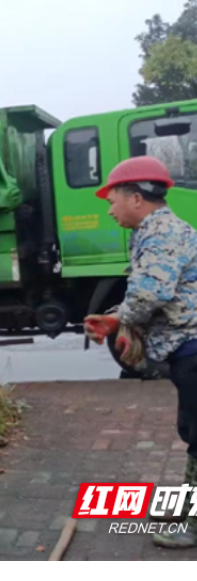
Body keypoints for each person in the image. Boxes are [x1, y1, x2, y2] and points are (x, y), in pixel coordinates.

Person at [86, 156, 197, 549]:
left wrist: (119, 321)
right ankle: (189, 509)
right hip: (187, 348)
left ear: (136, 197)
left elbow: (152, 292)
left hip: (194, 347)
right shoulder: (153, 231)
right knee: (193, 432)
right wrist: (117, 317)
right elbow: (149, 290)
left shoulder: (162, 231)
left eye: (112, 200)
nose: (110, 209)